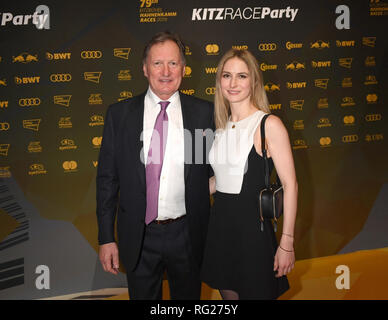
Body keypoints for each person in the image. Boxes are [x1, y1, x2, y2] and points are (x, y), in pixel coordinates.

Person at [96, 31, 214, 300]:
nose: (165, 71)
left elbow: (212, 172)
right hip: (139, 236)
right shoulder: (120, 115)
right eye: (157, 63)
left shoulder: (203, 113)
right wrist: (106, 237)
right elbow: (107, 181)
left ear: (183, 69)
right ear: (145, 68)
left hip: (188, 235)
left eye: (173, 63)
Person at [201, 48, 298, 300]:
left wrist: (286, 242)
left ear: (254, 81)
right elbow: (219, 181)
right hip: (221, 229)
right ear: (219, 81)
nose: (233, 83)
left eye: (242, 76)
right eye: (227, 75)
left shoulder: (268, 124)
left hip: (253, 234)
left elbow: (290, 185)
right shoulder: (220, 127)